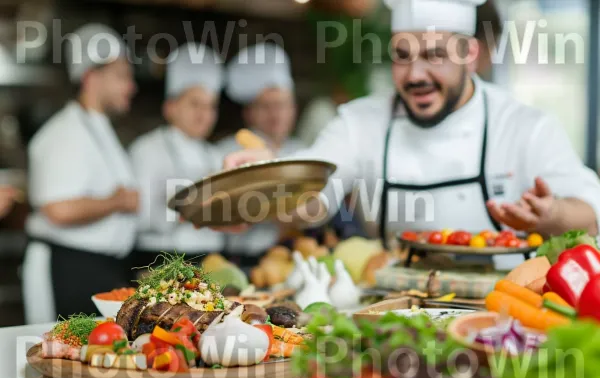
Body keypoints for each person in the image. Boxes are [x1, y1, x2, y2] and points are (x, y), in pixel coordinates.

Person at [221, 0, 600, 270]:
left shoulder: (525, 126)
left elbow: (591, 215)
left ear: (469, 53)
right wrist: (271, 180)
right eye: (402, 56)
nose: (415, 74)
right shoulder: (360, 122)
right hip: (392, 310)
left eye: (434, 55)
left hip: (500, 310)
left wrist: (552, 214)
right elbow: (314, 201)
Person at [22, 24, 139, 322]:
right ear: (90, 77)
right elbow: (58, 209)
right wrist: (117, 202)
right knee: (59, 357)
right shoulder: (64, 132)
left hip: (99, 267)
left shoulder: (98, 129)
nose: (131, 87)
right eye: (121, 76)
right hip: (66, 268)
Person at [129, 43, 225, 267]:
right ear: (170, 107)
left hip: (212, 260)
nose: (204, 115)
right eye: (195, 104)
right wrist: (182, 205)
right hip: (159, 260)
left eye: (211, 107)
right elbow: (138, 218)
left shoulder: (216, 155)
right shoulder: (146, 150)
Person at [218, 42, 305, 266]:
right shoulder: (229, 151)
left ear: (293, 108)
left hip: (292, 259)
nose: (275, 114)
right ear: (249, 113)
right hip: (241, 260)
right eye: (266, 106)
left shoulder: (303, 152)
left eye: (282, 105)